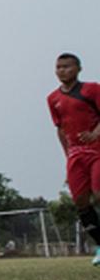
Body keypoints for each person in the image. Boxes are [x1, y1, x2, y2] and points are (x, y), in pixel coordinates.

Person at [46, 52, 100, 265]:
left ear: (78, 68)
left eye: (67, 66)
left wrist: (96, 133)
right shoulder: (53, 99)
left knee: (98, 192)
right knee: (80, 201)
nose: (62, 71)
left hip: (97, 150)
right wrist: (67, 155)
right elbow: (60, 129)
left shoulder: (92, 90)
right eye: (58, 67)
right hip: (76, 155)